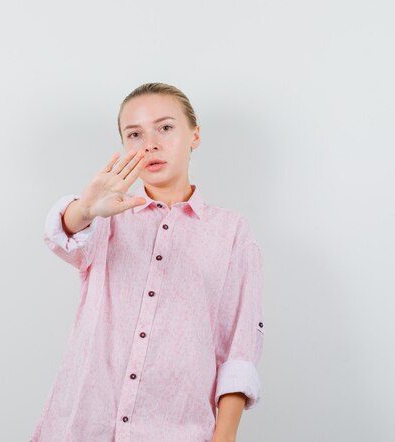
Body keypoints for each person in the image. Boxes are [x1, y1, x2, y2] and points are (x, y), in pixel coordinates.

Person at [31, 83, 265, 442]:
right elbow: (62, 237)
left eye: (165, 127)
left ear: (195, 135)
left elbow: (239, 347)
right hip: (82, 427)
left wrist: (224, 438)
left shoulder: (231, 232)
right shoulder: (105, 219)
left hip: (177, 431)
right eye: (134, 134)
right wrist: (87, 209)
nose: (149, 144)